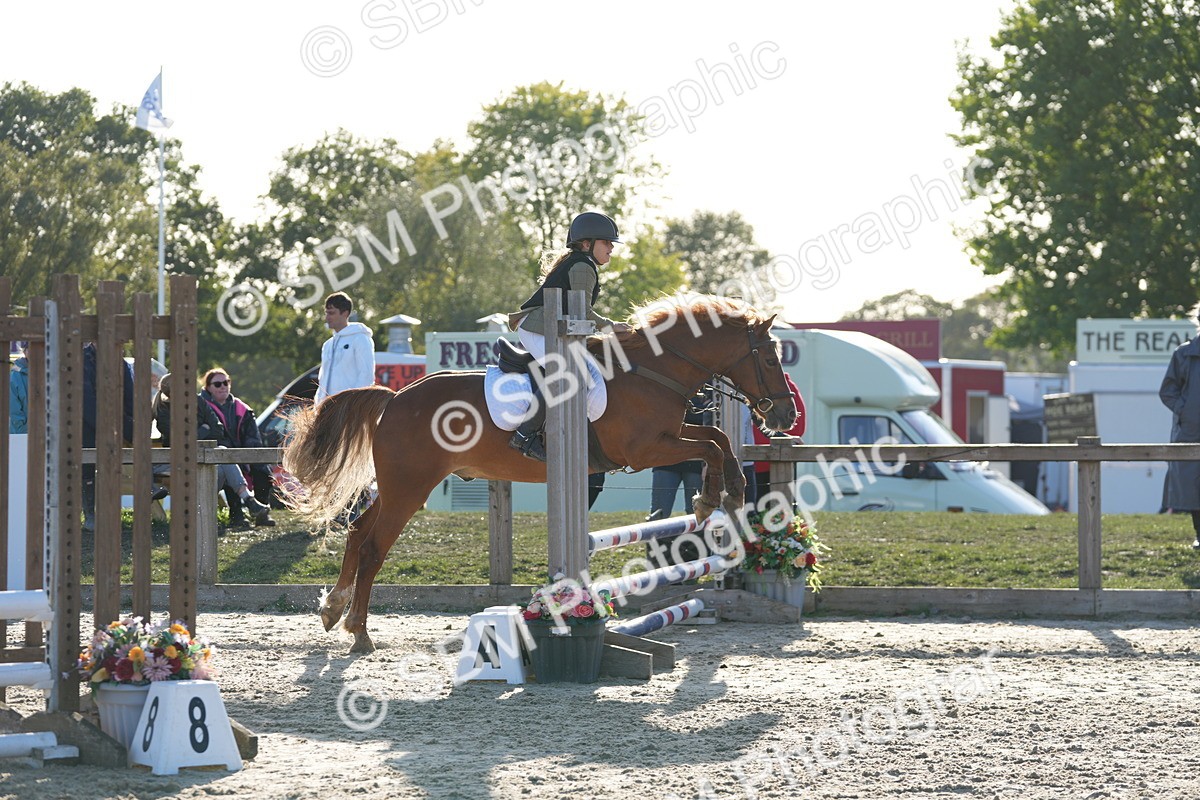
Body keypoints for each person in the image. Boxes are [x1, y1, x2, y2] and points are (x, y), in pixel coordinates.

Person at [506, 211, 631, 461]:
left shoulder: (580, 262)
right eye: (606, 243)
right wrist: (611, 326)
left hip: (546, 326)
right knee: (567, 373)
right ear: (587, 244)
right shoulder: (584, 265)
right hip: (537, 327)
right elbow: (584, 312)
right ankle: (525, 434)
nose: (611, 249)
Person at [155, 372, 273, 529]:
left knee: (230, 456)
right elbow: (180, 440)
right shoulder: (164, 411)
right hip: (183, 468)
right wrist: (204, 429)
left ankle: (249, 504)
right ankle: (245, 505)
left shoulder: (199, 402)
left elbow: (218, 429)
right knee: (225, 455)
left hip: (207, 463)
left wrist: (198, 433)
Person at [199, 368, 276, 527]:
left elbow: (253, 436)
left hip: (243, 452)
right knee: (229, 464)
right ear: (208, 388)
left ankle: (261, 513)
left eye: (226, 382)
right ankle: (237, 516)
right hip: (220, 455)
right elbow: (212, 435)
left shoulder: (243, 408)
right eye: (218, 384)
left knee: (262, 469)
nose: (223, 387)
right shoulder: (201, 407)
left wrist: (249, 457)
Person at [82, 342, 135, 532]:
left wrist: (130, 422)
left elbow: (129, 395)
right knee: (87, 465)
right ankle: (90, 514)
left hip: (114, 418)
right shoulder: (83, 359)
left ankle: (148, 485)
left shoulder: (119, 361)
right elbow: (85, 398)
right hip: (86, 421)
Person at [1159, 330, 1200, 548]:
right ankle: (1199, 535)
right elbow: (1167, 391)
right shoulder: (1184, 354)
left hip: (1189, 430)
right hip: (1190, 433)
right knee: (1192, 486)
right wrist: (1183, 410)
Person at [751, 373, 806, 501]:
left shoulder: (787, 387)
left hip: (773, 463)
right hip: (752, 463)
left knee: (776, 511)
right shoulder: (754, 386)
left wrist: (783, 439)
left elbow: (797, 427)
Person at [315, 292, 375, 405]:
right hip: (326, 411)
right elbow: (322, 380)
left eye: (331, 313)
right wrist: (317, 405)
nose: (327, 317)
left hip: (349, 411)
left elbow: (366, 376)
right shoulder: (327, 345)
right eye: (326, 313)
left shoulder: (361, 339)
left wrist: (351, 405)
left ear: (345, 313)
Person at [9, 344, 28, 434]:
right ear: (24, 352)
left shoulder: (52, 374)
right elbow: (14, 410)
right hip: (21, 434)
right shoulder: (14, 376)